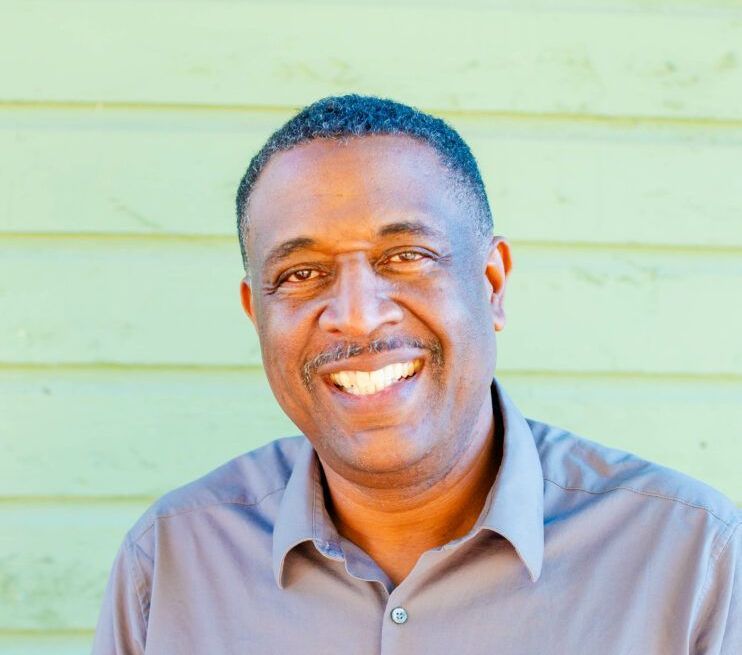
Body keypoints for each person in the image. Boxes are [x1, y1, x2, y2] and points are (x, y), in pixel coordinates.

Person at [92, 95, 740, 654]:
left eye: (405, 256)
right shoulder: (174, 560)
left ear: (491, 285)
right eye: (300, 273)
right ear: (255, 313)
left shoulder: (692, 562)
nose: (356, 316)